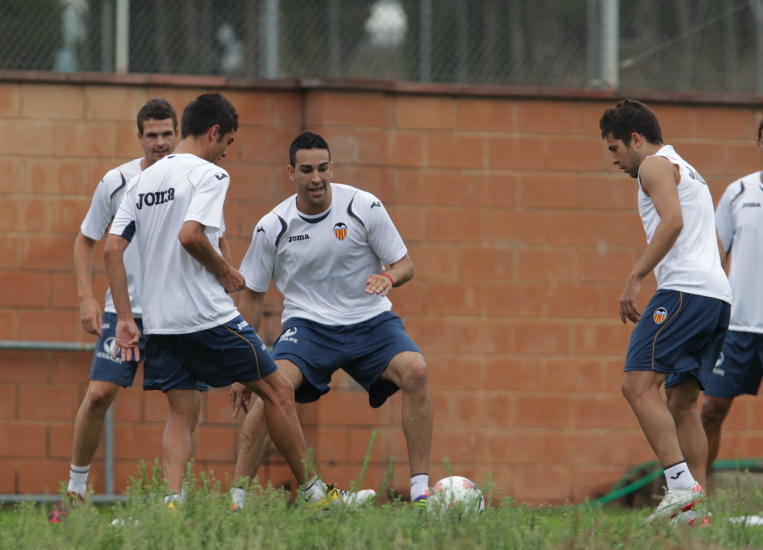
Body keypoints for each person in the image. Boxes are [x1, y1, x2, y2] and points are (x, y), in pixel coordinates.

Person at [104, 93, 368, 507]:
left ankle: (172, 504)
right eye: (227, 142)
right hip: (206, 316)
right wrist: (225, 271)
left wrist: (124, 318)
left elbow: (111, 249)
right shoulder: (209, 175)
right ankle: (317, 495)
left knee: (182, 413)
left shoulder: (142, 180)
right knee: (278, 390)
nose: (226, 152)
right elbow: (190, 235)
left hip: (159, 321)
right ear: (214, 132)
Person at [228, 131, 432, 510]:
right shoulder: (273, 226)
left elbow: (405, 265)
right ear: (291, 172)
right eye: (307, 170)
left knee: (416, 370)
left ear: (332, 168)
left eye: (323, 168)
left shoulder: (363, 206)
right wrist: (244, 366)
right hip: (308, 328)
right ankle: (239, 501)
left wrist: (388, 278)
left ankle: (421, 491)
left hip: (370, 322)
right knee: (272, 389)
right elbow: (252, 297)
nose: (317, 178)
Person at [599, 99, 731, 522]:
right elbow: (709, 240)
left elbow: (672, 221)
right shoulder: (689, 170)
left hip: (683, 292)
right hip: (716, 297)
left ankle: (680, 486)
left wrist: (636, 276)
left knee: (637, 386)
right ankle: (695, 509)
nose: (614, 159)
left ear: (636, 138)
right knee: (682, 403)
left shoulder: (654, 165)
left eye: (615, 148)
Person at [49, 98, 179, 523]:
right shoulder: (117, 180)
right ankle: (75, 491)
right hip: (124, 312)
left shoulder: (191, 178)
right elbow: (85, 239)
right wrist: (85, 296)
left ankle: (173, 505)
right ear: (139, 137)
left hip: (177, 312)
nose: (160, 142)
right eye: (152, 135)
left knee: (184, 406)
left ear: (178, 134)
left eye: (167, 133)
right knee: (99, 394)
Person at [701, 119, 763, 480]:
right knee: (710, 409)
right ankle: (694, 502)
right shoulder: (738, 192)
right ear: (758, 143)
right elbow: (714, 254)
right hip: (737, 327)